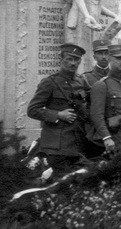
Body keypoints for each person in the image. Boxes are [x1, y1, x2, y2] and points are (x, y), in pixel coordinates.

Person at [27, 43, 90, 180]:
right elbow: (32, 110)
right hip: (55, 147)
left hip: (76, 144)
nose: (73, 63)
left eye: (76, 59)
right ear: (61, 60)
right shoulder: (49, 83)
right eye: (69, 59)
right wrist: (58, 115)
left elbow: (91, 102)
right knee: (59, 184)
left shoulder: (81, 81)